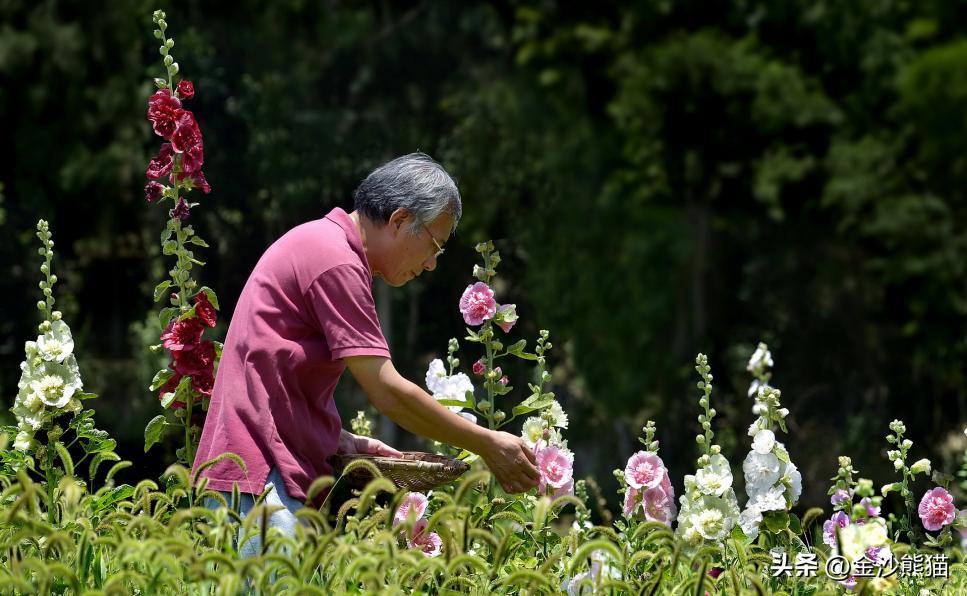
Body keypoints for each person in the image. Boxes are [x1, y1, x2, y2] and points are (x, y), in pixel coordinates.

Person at [192, 153, 539, 554]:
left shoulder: (325, 246)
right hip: (260, 478)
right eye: (434, 246)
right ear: (399, 220)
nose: (431, 264)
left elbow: (270, 373)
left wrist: (336, 438)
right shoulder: (335, 260)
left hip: (257, 473)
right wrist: (487, 443)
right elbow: (385, 390)